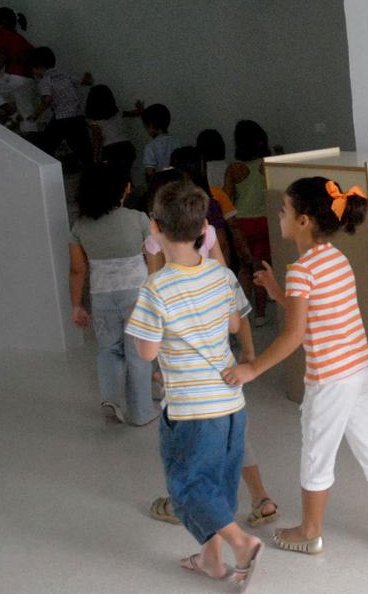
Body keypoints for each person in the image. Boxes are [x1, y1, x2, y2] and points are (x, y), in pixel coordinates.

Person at [221, 177, 368, 558]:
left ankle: (309, 530)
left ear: (303, 221)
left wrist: (253, 370)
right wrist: (277, 293)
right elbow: (317, 316)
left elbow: (294, 336)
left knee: (316, 453)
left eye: (285, 210)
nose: (280, 216)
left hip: (332, 380)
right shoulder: (335, 258)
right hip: (360, 369)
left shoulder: (302, 270)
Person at [125, 179, 264, 588]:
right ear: (205, 229)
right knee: (220, 482)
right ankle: (211, 559)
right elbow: (235, 323)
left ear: (155, 229)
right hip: (231, 403)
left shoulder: (156, 288)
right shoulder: (220, 277)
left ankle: (240, 543)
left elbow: (147, 353)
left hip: (190, 409)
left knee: (186, 486)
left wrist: (142, 323)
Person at [68, 164, 156, 426]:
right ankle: (141, 412)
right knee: (139, 353)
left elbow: (77, 270)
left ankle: (111, 399)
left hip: (102, 297)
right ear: (125, 189)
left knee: (108, 350)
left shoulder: (80, 226)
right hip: (138, 296)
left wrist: (77, 306)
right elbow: (153, 261)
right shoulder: (138, 219)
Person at [224, 120, 274, 324]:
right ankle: (261, 314)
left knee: (245, 268)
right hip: (265, 222)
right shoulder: (267, 166)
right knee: (262, 267)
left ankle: (243, 314)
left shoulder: (234, 169)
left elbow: (226, 199)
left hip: (241, 224)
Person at [26, 46, 93, 164]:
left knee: (46, 145)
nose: (33, 72)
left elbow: (47, 100)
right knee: (84, 149)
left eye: (33, 68)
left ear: (38, 67)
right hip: (77, 117)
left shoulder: (44, 81)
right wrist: (88, 76)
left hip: (62, 119)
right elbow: (85, 82)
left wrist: (35, 115)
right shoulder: (65, 74)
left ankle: (47, 167)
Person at [0, 7, 36, 132]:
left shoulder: (1, 35)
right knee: (26, 110)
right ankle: (31, 135)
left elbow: (3, 56)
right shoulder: (18, 37)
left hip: (15, 75)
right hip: (29, 77)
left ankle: (13, 113)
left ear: (0, 23)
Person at [85, 85, 141, 177]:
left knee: (114, 178)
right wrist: (140, 109)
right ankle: (130, 189)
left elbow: (97, 139)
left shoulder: (95, 121)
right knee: (126, 174)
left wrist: (95, 160)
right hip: (127, 147)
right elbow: (133, 113)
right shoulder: (118, 112)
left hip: (111, 151)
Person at [141, 103, 180, 183]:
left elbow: (149, 172)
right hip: (177, 181)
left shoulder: (150, 147)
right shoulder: (176, 140)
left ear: (151, 126)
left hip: (161, 185)